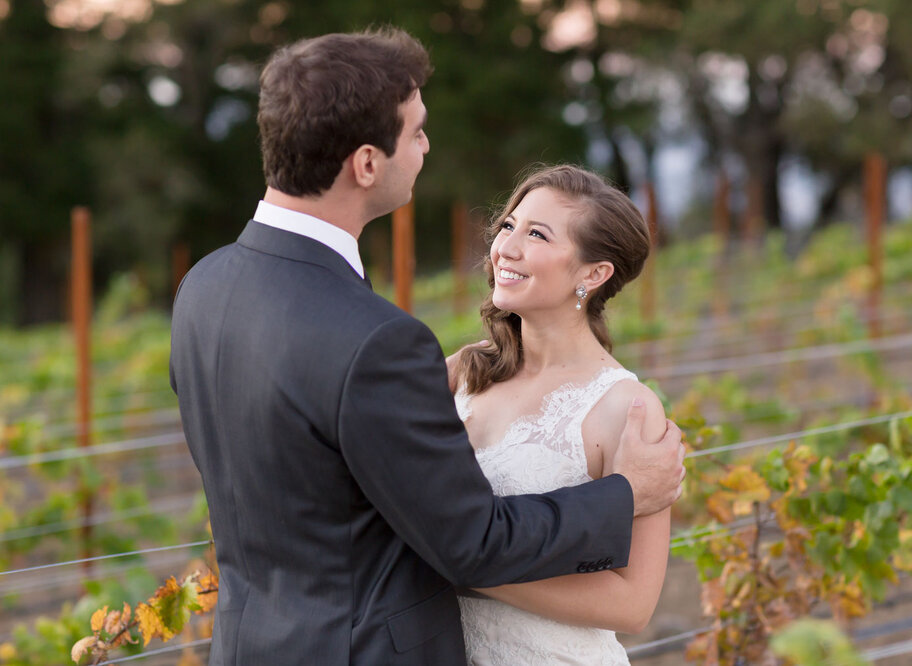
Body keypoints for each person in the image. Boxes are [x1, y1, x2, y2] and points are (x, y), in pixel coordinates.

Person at [169, 28, 685, 666]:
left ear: (595, 273)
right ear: (365, 164)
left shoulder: (204, 287)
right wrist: (627, 493)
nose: (425, 147)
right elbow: (465, 544)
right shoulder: (379, 344)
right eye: (415, 132)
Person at [448, 164, 672, 665]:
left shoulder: (626, 408)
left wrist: (463, 567)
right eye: (508, 226)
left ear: (594, 274)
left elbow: (634, 605)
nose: (507, 246)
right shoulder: (460, 372)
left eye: (537, 235)